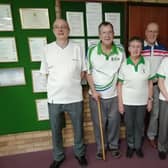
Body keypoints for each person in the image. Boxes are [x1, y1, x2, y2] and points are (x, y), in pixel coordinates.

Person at [40, 18, 88, 168]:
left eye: (63, 27)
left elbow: (83, 71)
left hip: (74, 97)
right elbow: (45, 73)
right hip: (54, 98)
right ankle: (58, 156)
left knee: (78, 129)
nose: (60, 29)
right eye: (57, 27)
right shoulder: (46, 49)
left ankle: (80, 154)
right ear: (53, 30)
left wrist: (71, 83)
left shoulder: (77, 47)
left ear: (69, 30)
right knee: (56, 130)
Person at [86, 21, 125, 160]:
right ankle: (101, 147)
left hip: (114, 95)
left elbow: (123, 72)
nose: (107, 35)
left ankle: (114, 146)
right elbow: (88, 73)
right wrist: (94, 91)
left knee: (114, 122)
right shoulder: (92, 49)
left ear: (113, 34)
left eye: (110, 32)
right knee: (99, 123)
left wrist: (120, 94)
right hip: (96, 96)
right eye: (104, 32)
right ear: (99, 35)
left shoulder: (120, 49)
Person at [117, 36, 153, 158]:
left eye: (138, 46)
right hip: (128, 101)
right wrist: (120, 103)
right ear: (128, 48)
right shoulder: (124, 64)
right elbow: (120, 85)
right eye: (133, 46)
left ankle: (138, 146)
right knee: (129, 125)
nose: (135, 49)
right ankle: (130, 145)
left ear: (141, 49)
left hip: (142, 102)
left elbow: (150, 83)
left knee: (140, 125)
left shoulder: (146, 63)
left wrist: (150, 100)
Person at [142, 22, 168, 148]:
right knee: (140, 112)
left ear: (158, 33)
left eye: (155, 31)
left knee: (155, 113)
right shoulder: (138, 47)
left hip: (157, 86)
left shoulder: (163, 50)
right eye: (150, 31)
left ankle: (151, 135)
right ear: (145, 32)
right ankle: (139, 136)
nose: (152, 34)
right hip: (141, 86)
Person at [157, 57, 168, 160]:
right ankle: (162, 148)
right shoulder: (165, 61)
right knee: (164, 125)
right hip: (165, 99)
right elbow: (160, 82)